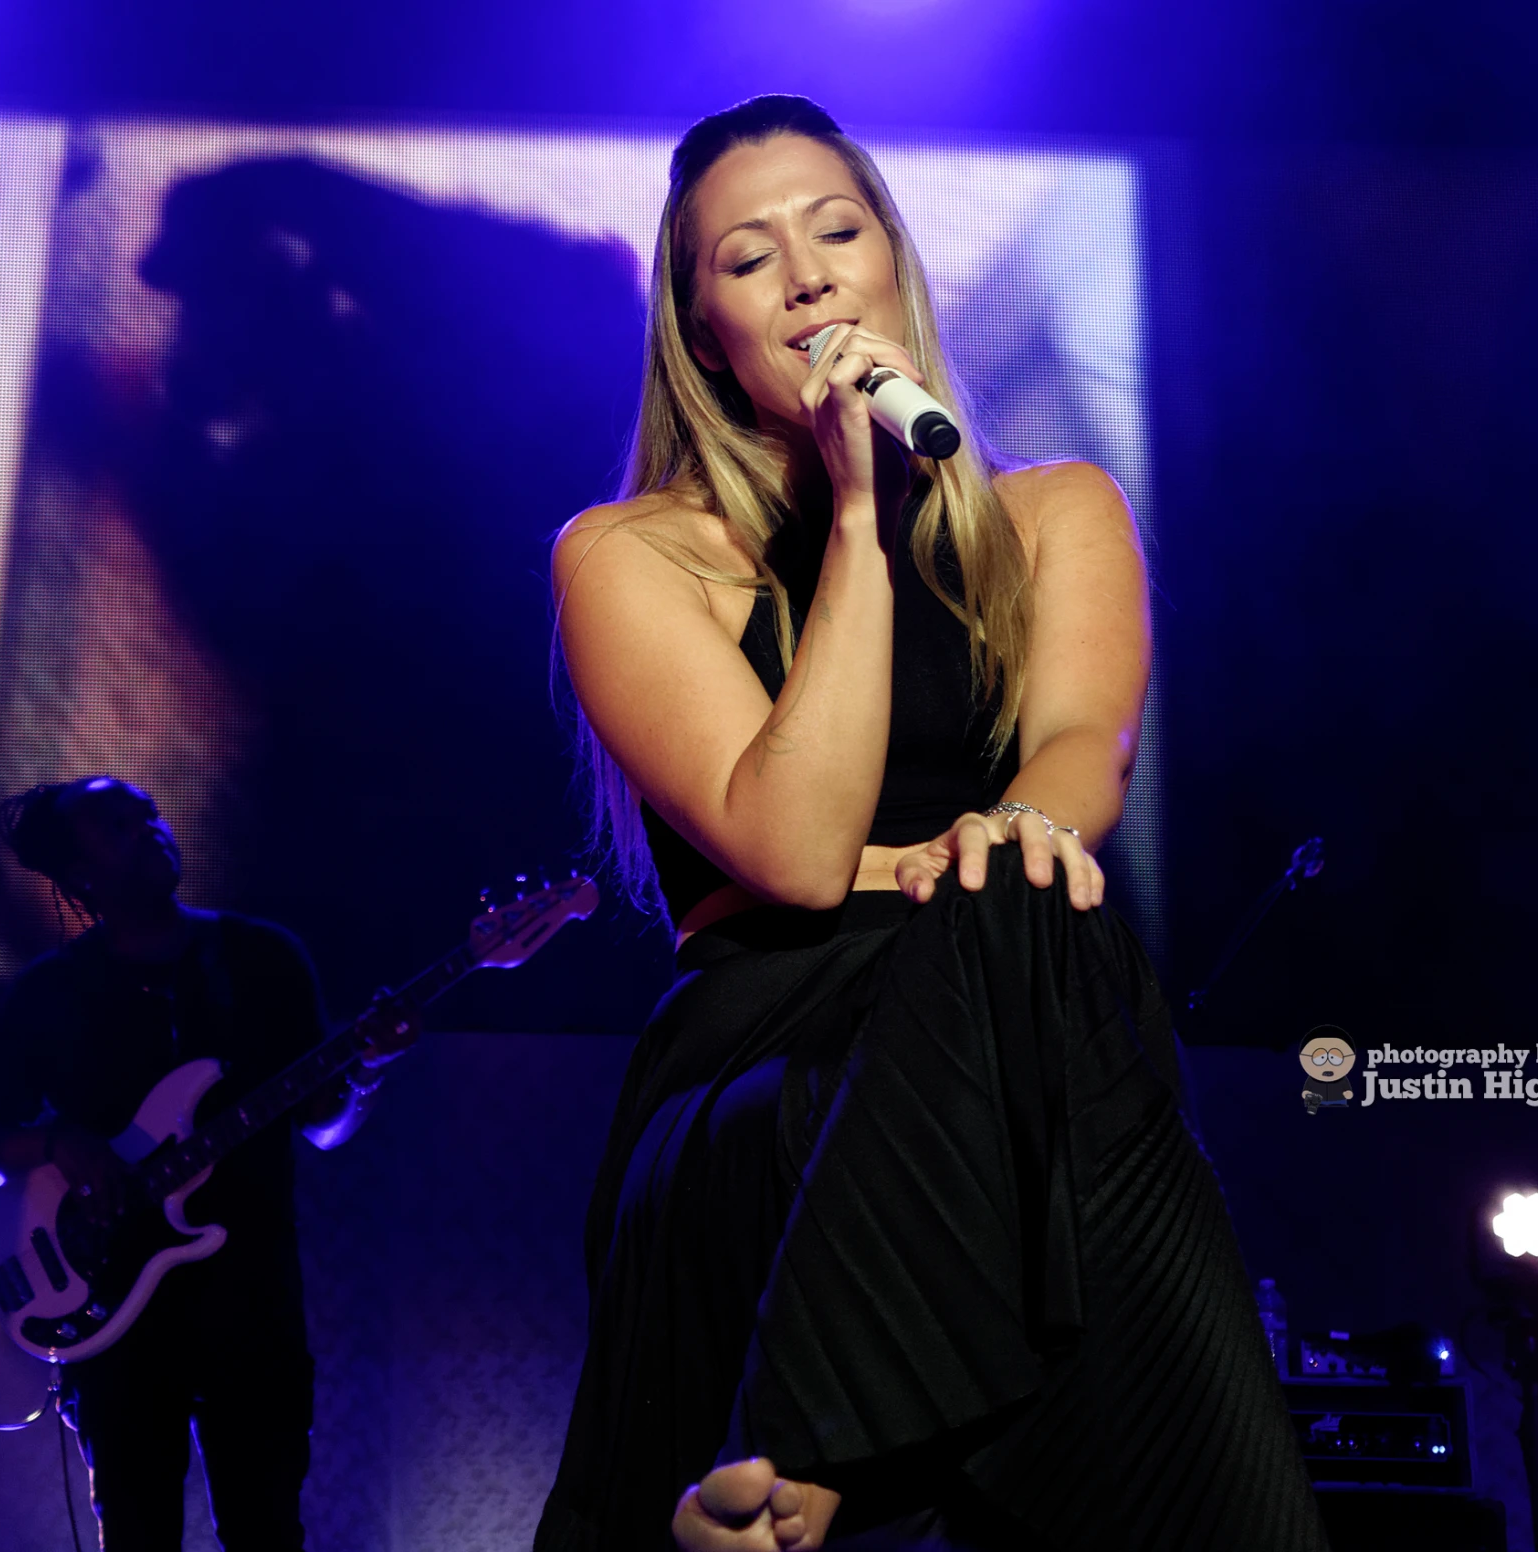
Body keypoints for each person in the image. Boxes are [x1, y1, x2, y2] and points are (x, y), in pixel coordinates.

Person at [538, 97, 1326, 1551]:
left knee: (1028, 920)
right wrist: (854, 518)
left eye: (838, 232)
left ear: (895, 264)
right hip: (767, 1039)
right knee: (1031, 970)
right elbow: (786, 848)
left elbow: (1084, 744)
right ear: (704, 327)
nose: (808, 275)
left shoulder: (1051, 512)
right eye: (749, 256)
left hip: (1000, 994)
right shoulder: (631, 554)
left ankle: (810, 1438)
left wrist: (1002, 840)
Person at [0, 776, 413, 1551]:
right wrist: (62, 1142)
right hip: (114, 1328)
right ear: (79, 875)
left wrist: (365, 1068)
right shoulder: (52, 991)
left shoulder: (262, 959)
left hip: (253, 1307)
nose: (150, 825)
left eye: (149, 812)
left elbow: (322, 1125)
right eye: (117, 823)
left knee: (267, 1533)